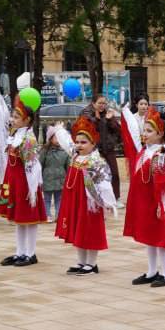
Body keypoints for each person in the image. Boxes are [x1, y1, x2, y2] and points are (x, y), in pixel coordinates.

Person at [0, 79, 46, 266]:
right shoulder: (15, 135)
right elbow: (1, 115)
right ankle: (20, 251)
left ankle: (30, 253)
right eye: (13, 116)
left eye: (16, 117)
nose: (12, 119)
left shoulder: (27, 138)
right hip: (14, 181)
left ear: (27, 120)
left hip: (26, 184)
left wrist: (32, 190)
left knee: (28, 218)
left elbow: (32, 166)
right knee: (19, 219)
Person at [121, 104, 165, 287]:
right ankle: (152, 271)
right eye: (144, 130)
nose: (144, 134)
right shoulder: (144, 152)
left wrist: (162, 205)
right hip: (143, 202)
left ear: (160, 134)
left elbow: (163, 184)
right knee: (149, 237)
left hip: (156, 203)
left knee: (160, 237)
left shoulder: (160, 154)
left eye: (149, 131)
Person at [52, 118, 117, 275]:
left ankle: (91, 264)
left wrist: (108, 203)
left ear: (93, 143)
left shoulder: (96, 161)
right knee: (78, 229)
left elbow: (105, 182)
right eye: (78, 142)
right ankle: (81, 262)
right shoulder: (75, 155)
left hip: (89, 202)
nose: (79, 145)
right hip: (75, 199)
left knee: (90, 230)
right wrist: (60, 129)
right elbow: (66, 142)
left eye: (84, 142)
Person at [80, 95, 123, 202]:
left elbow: (118, 131)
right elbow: (84, 130)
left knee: (114, 174)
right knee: (94, 174)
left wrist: (110, 120)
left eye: (104, 103)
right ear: (93, 103)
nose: (102, 105)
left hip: (108, 148)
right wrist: (96, 120)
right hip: (94, 150)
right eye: (100, 103)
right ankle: (93, 197)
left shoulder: (108, 114)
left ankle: (115, 198)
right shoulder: (86, 113)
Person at [40, 128, 70, 219]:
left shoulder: (65, 151)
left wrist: (68, 178)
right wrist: (39, 178)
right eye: (56, 137)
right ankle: (47, 215)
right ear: (50, 138)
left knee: (59, 199)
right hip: (47, 178)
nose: (58, 139)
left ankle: (59, 215)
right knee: (47, 199)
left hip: (60, 179)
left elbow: (68, 166)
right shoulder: (45, 151)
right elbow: (40, 164)